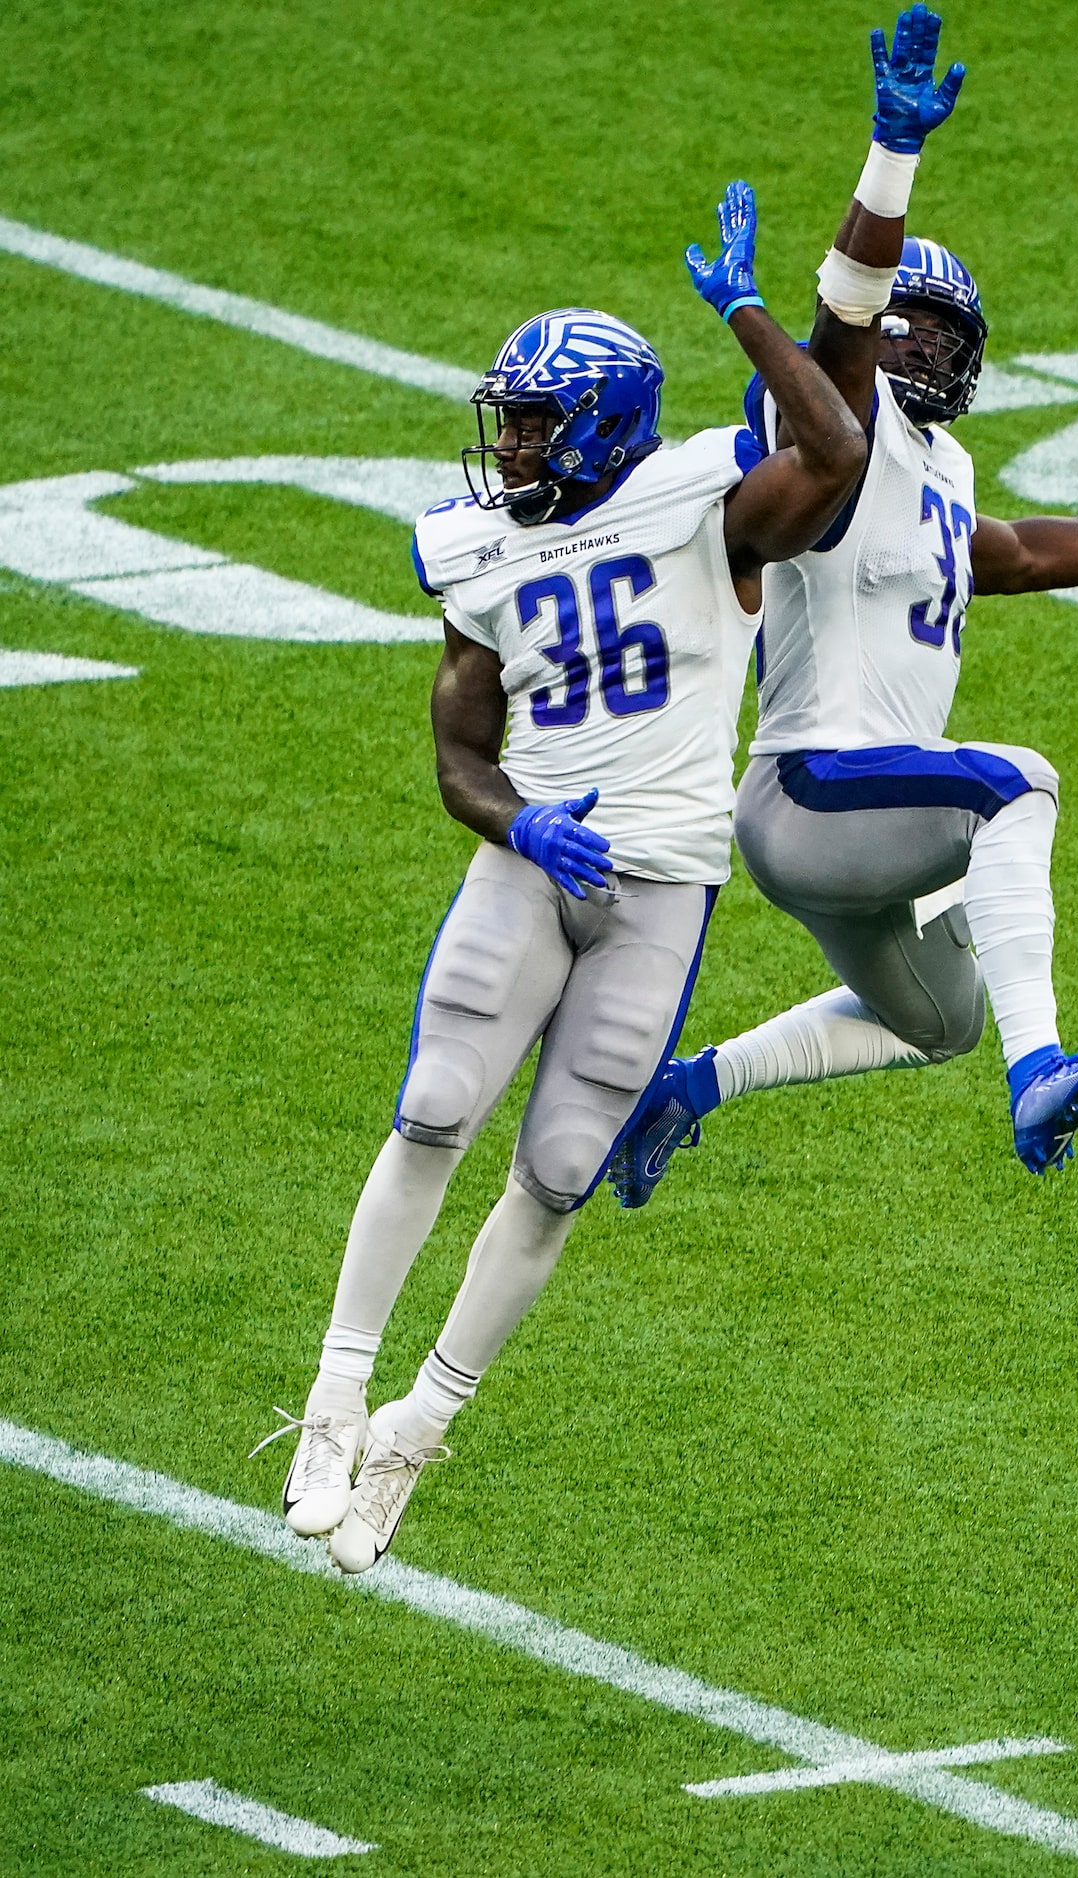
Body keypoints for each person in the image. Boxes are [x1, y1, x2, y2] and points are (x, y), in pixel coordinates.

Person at [252, 180, 867, 1573]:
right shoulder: (476, 549)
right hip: (537, 869)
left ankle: (417, 1428)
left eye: (529, 421)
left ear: (595, 423)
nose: (508, 445)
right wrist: (516, 824)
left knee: (565, 1165)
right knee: (431, 1108)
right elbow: (459, 754)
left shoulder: (698, 502)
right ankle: (337, 1398)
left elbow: (830, 446)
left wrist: (752, 314)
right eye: (510, 419)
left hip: (660, 882)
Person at [610, 7, 1078, 1204]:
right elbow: (843, 312)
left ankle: (688, 1087)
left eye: (942, 331)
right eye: (904, 327)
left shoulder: (940, 469)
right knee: (1012, 784)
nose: (919, 344)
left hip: (862, 818)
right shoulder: (837, 430)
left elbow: (1026, 553)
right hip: (812, 786)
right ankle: (1042, 1070)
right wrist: (892, 153)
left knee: (934, 1022)